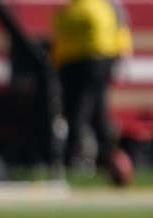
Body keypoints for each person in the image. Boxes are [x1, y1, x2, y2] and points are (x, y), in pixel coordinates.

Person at [52, 0, 133, 186]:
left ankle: (82, 159)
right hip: (72, 63)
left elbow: (120, 26)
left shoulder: (106, 5)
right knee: (92, 116)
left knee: (81, 115)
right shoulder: (70, 8)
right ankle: (103, 159)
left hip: (95, 60)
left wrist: (122, 52)